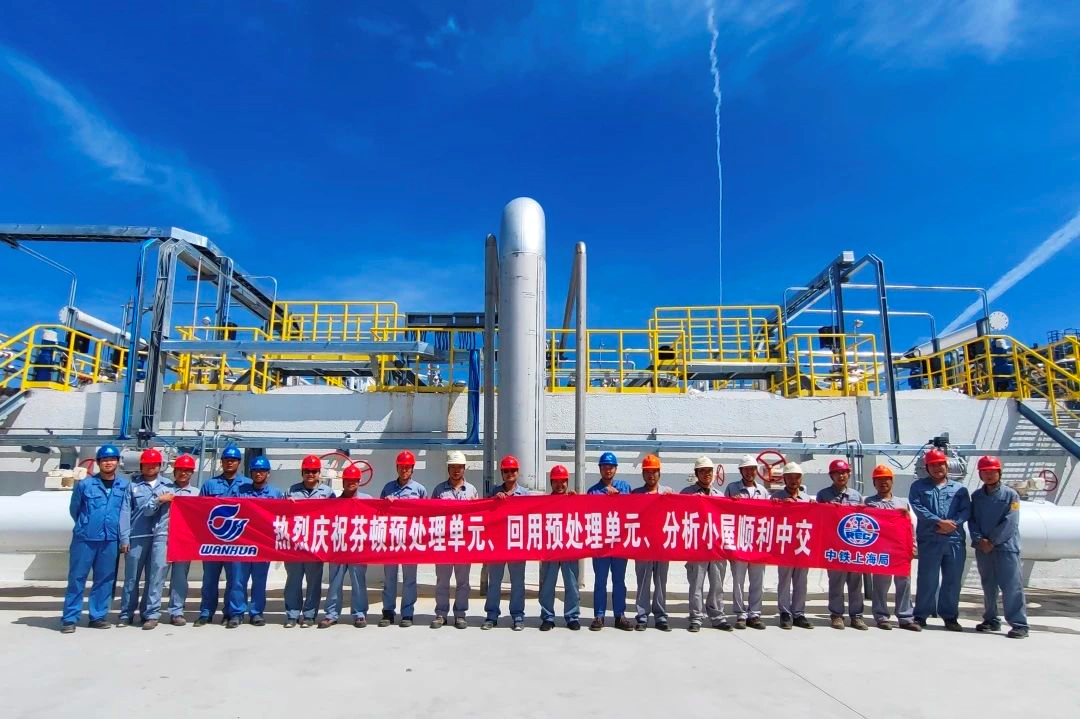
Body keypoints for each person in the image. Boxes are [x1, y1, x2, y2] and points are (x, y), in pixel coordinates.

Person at [61, 444, 131, 633]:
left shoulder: (124, 485)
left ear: (117, 462)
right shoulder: (85, 484)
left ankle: (98, 616)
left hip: (110, 540)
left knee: (105, 579)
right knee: (77, 578)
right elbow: (75, 509)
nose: (108, 463)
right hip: (85, 539)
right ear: (99, 463)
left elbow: (126, 512)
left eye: (112, 459)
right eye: (104, 460)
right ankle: (70, 619)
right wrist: (87, 525)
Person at [909, 448, 970, 631]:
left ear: (946, 465)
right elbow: (918, 507)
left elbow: (966, 510)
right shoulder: (918, 487)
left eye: (940, 464)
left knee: (952, 580)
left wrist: (953, 523)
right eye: (933, 465)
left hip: (954, 540)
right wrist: (939, 522)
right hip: (930, 539)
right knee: (927, 579)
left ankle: (950, 617)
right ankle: (921, 616)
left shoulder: (959, 489)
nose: (937, 468)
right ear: (927, 468)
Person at [969, 456, 1029, 638]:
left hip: (1006, 547)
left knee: (1012, 586)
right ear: (980, 474)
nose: (988, 475)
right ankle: (991, 619)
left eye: (992, 471)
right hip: (983, 548)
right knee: (988, 585)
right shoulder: (977, 497)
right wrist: (979, 539)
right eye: (984, 472)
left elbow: (1011, 522)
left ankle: (1019, 624)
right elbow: (972, 520)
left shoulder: (1011, 495)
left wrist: (993, 541)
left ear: (999, 473)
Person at [195, 445, 252, 627]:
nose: (229, 463)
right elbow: (198, 511)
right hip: (213, 542)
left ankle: (234, 613)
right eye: (226, 460)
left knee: (236, 580)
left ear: (239, 463)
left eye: (233, 460)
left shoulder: (247, 485)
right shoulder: (209, 485)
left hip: (237, 542)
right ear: (221, 462)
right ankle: (206, 613)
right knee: (209, 580)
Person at [863, 465, 920, 631]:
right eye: (879, 480)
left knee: (904, 582)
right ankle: (881, 616)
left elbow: (910, 526)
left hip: (901, 549)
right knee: (881, 584)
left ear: (892, 481)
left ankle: (905, 617)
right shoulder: (869, 503)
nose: (883, 482)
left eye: (886, 479)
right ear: (874, 483)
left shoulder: (902, 503)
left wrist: (912, 546)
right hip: (880, 549)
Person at [229, 455, 284, 627]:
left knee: (259, 581)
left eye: (262, 471)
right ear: (251, 473)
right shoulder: (240, 491)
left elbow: (283, 516)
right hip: (241, 543)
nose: (258, 474)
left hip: (263, 545)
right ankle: (236, 613)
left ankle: (256, 612)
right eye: (255, 471)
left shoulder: (276, 494)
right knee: (238, 580)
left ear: (268, 473)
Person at [320, 463, 374, 629]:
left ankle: (359, 614)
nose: (351, 483)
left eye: (354, 480)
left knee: (358, 582)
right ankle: (331, 614)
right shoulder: (333, 502)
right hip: (338, 548)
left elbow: (380, 518)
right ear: (343, 482)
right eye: (348, 480)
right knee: (335, 582)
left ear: (359, 481)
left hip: (358, 548)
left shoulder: (368, 500)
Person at [681, 456, 731, 632]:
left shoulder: (720, 495)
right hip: (697, 546)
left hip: (716, 547)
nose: (706, 474)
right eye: (702, 471)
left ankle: (717, 616)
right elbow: (679, 515)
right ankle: (696, 617)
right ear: (696, 474)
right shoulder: (687, 493)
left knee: (717, 584)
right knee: (696, 584)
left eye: (709, 471)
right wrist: (691, 502)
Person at [284, 455, 334, 628]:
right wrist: (286, 504)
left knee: (313, 582)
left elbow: (334, 515)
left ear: (319, 473)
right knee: (293, 580)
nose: (310, 474)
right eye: (307, 471)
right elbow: (280, 515)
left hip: (315, 544)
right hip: (294, 544)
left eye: (314, 471)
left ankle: (309, 615)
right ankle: (292, 614)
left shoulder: (328, 493)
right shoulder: (291, 491)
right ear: (302, 472)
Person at [816, 459, 867, 630]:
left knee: (855, 582)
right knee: (836, 582)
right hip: (834, 546)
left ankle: (856, 616)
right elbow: (818, 518)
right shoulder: (823, 495)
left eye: (844, 472)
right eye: (837, 473)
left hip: (853, 547)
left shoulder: (856, 495)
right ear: (831, 475)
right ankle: (836, 615)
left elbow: (863, 520)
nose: (841, 476)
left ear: (849, 474)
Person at [118, 448, 165, 628]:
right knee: (132, 578)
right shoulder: (132, 486)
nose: (150, 467)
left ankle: (150, 614)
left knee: (155, 577)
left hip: (159, 537)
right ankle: (126, 614)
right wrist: (124, 538)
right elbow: (125, 513)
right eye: (146, 464)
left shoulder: (168, 485)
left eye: (154, 464)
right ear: (141, 466)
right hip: (137, 536)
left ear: (160, 466)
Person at [430, 450, 478, 629]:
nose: (456, 470)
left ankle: (460, 615)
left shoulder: (471, 490)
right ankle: (441, 614)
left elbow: (477, 516)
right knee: (442, 581)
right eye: (453, 467)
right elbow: (431, 515)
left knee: (463, 582)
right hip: (444, 542)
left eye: (459, 467)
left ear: (464, 469)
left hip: (463, 543)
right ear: (448, 469)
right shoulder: (439, 490)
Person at [379, 450, 426, 628]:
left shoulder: (419, 489)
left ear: (412, 469)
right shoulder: (388, 488)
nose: (404, 470)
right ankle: (388, 612)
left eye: (407, 467)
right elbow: (379, 513)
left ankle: (407, 613)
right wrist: (386, 504)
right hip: (391, 539)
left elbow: (427, 514)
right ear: (396, 468)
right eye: (401, 467)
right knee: (389, 578)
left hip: (410, 540)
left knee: (409, 579)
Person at [483, 455, 531, 631]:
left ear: (517, 472)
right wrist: (494, 501)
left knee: (518, 582)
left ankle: (517, 616)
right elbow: (485, 514)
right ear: (502, 473)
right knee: (494, 582)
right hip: (497, 543)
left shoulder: (525, 494)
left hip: (516, 543)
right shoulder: (494, 493)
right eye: (506, 471)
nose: (510, 473)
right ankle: (491, 615)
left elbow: (531, 516)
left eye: (513, 470)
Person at [587, 452, 633, 631]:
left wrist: (619, 498)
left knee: (619, 580)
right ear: (600, 469)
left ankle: (619, 615)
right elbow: (588, 513)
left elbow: (634, 508)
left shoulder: (625, 487)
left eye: (611, 467)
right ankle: (599, 615)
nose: (608, 470)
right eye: (605, 466)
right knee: (600, 580)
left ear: (616, 469)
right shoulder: (593, 491)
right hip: (600, 543)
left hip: (619, 542)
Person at [726, 455, 769, 630]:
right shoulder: (732, 488)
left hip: (758, 542)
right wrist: (732, 503)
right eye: (746, 469)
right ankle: (740, 614)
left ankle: (754, 614)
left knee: (757, 580)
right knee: (738, 580)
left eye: (752, 469)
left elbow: (770, 515)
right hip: (739, 541)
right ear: (741, 471)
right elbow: (722, 512)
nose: (750, 472)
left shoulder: (763, 491)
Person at [631, 454, 673, 631]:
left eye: (654, 471)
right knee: (643, 582)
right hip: (643, 545)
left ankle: (660, 616)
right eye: (647, 472)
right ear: (643, 474)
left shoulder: (668, 492)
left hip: (662, 545)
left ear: (659, 473)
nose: (651, 475)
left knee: (661, 582)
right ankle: (642, 617)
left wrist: (672, 500)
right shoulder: (635, 494)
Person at [538, 465, 580, 631]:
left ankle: (572, 617)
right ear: (551, 483)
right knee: (547, 585)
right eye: (556, 481)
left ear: (567, 482)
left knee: (572, 585)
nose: (560, 485)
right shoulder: (544, 503)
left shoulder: (574, 500)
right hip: (550, 550)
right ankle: (548, 617)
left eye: (563, 481)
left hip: (569, 549)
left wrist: (577, 500)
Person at [772, 462, 813, 630]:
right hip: (785, 544)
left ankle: (799, 613)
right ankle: (785, 612)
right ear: (784, 479)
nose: (793, 480)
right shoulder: (775, 497)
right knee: (784, 579)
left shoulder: (808, 499)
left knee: (801, 580)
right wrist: (778, 506)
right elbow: (770, 519)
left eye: (797, 477)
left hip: (802, 543)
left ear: (801, 479)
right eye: (790, 477)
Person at [163, 454, 199, 625]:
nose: (183, 473)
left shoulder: (197, 494)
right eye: (180, 470)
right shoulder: (164, 490)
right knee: (157, 577)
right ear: (174, 471)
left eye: (187, 470)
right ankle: (151, 612)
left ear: (192, 473)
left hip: (184, 540)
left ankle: (176, 611)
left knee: (179, 577)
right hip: (163, 538)